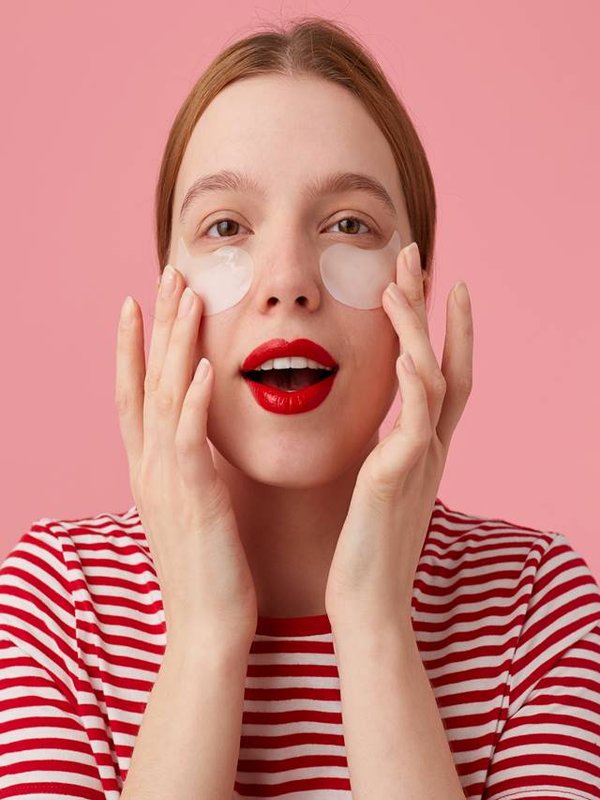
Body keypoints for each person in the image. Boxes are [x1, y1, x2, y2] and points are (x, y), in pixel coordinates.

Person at [1, 15, 599, 800]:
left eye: (349, 224)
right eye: (226, 227)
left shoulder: (537, 604)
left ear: (414, 292)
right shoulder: (55, 601)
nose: (289, 281)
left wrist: (374, 625)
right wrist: (207, 638)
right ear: (168, 290)